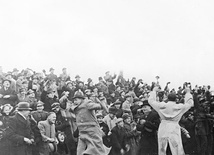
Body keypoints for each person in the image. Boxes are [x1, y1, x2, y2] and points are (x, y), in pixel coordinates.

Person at [148, 86, 194, 155]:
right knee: (176, 147)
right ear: (176, 99)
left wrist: (154, 91)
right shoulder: (179, 107)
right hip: (174, 127)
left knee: (162, 148)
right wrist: (188, 93)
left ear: (167, 98)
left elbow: (151, 101)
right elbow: (190, 103)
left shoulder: (161, 106)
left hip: (163, 127)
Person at [70, 91, 109, 155]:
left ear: (81, 99)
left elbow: (99, 106)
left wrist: (100, 102)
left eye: (76, 100)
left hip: (92, 131)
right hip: (82, 132)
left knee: (98, 150)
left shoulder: (87, 104)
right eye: (74, 100)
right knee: (79, 151)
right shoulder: (75, 107)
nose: (75, 102)